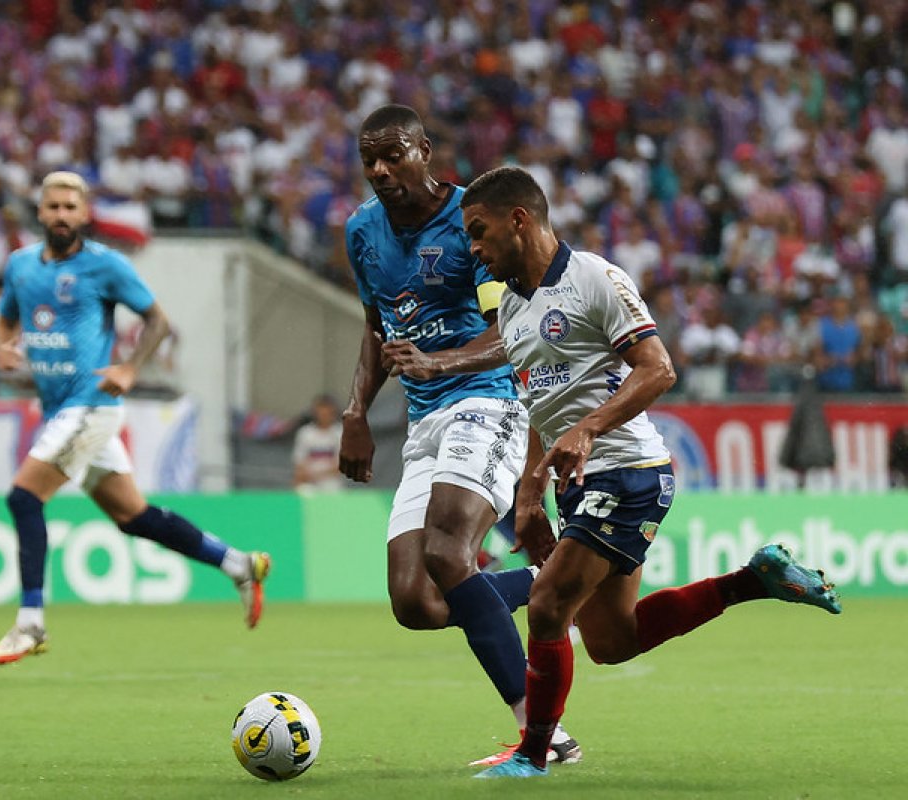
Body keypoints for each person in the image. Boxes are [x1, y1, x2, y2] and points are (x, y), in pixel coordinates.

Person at [436, 165, 840, 779]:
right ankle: (753, 580)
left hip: (628, 471)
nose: (474, 248)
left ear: (519, 220)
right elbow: (540, 405)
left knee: (546, 606)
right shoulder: (515, 307)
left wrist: (589, 428)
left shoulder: (595, 278)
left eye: (478, 231)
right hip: (579, 483)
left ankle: (534, 754)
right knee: (611, 642)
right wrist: (529, 491)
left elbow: (658, 369)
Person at [340, 105, 579, 767]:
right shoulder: (362, 231)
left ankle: (544, 736)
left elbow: (510, 332)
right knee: (414, 601)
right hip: (423, 421)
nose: (381, 170)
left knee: (451, 553)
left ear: (424, 150)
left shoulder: (471, 222)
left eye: (394, 155)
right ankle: (548, 579)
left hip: (487, 403)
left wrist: (441, 362)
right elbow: (373, 326)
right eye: (370, 160)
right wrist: (356, 411)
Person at [0, 171, 270, 665]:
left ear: (85, 213)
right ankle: (237, 563)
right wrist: (2, 349)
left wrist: (132, 369)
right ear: (40, 211)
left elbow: (157, 320)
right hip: (58, 410)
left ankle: (31, 623)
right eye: (53, 207)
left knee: (24, 498)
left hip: (91, 405)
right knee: (132, 516)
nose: (62, 215)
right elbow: (7, 318)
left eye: (71, 207)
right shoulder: (21, 267)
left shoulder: (106, 266)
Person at [291, 393, 344, 492]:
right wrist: (301, 477)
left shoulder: (340, 433)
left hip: (331, 482)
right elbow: (299, 462)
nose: (324, 414)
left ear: (333, 412)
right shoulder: (305, 433)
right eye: (321, 410)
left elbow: (341, 466)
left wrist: (316, 475)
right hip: (309, 483)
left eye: (327, 411)